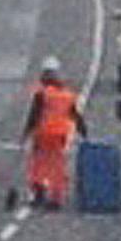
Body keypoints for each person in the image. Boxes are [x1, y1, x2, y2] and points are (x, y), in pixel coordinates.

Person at [20, 57, 83, 209]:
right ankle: (56, 198)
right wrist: (83, 132)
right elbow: (75, 115)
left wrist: (26, 133)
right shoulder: (67, 94)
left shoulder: (42, 93)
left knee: (39, 163)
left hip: (43, 133)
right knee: (57, 165)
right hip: (60, 135)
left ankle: (39, 193)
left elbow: (34, 114)